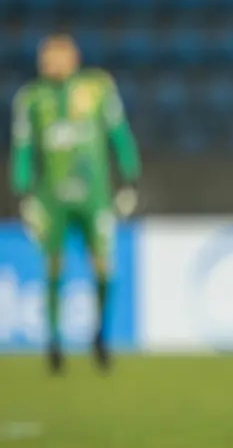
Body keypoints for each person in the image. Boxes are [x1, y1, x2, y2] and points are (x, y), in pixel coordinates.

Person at [9, 34, 141, 373]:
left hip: (95, 197)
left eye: (57, 54)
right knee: (53, 268)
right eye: (45, 56)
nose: (50, 61)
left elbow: (119, 133)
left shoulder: (98, 89)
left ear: (74, 56)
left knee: (104, 268)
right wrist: (23, 194)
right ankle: (53, 344)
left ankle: (101, 337)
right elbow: (22, 149)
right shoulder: (30, 99)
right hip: (51, 199)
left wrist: (129, 179)